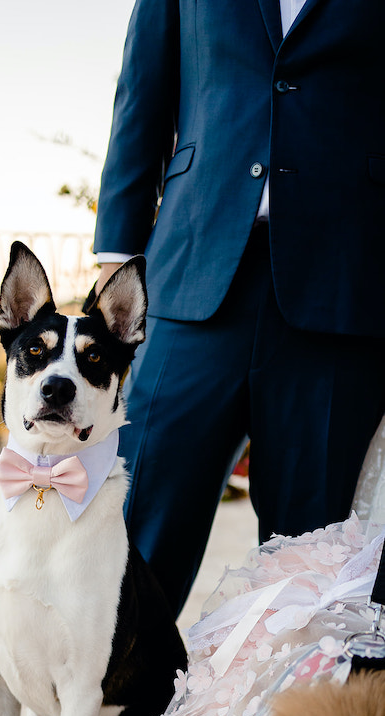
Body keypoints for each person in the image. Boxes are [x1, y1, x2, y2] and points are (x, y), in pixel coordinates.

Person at [91, 0, 385, 619]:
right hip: (192, 268)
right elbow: (141, 96)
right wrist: (116, 258)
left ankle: (277, 715)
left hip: (342, 283)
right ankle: (110, 711)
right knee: (136, 523)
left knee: (309, 560)